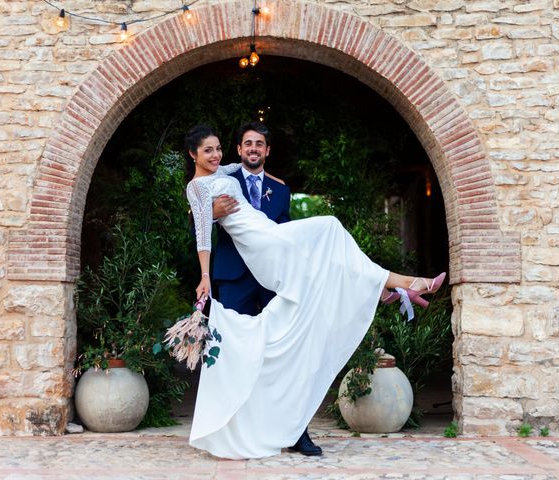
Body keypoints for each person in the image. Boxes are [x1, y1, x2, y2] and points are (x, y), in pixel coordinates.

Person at [184, 125, 445, 460]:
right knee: (240, 345)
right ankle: (392, 284)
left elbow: (245, 168)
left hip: (270, 240)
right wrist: (205, 273)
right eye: (208, 150)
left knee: (325, 248)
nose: (216, 155)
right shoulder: (197, 186)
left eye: (219, 148)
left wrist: (239, 175)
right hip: (250, 258)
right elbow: (201, 231)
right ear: (193, 154)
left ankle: (383, 285)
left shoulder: (238, 173)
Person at [210, 122, 322, 456]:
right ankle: (227, 433)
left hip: (273, 283)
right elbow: (196, 219)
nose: (254, 149)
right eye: (248, 144)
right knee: (230, 353)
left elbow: (285, 237)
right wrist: (211, 213)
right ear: (239, 150)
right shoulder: (222, 183)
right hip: (234, 278)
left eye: (260, 143)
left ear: (267, 151)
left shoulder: (281, 189)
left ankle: (296, 432)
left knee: (284, 354)